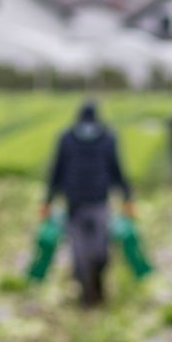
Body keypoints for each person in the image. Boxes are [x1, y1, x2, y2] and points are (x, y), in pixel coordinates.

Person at [41, 101, 134, 307]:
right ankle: (87, 294)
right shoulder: (67, 139)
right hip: (76, 204)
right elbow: (57, 170)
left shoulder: (107, 138)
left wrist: (127, 197)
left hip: (97, 201)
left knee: (98, 251)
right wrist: (47, 200)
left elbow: (116, 168)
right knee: (81, 251)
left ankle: (96, 287)